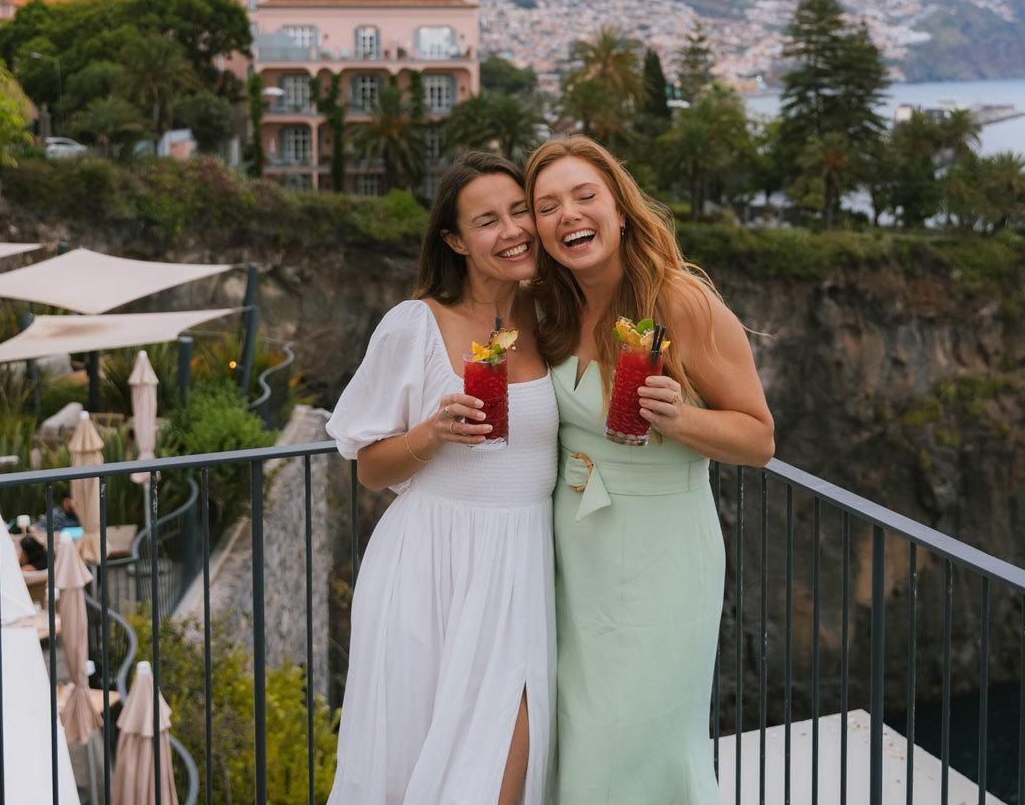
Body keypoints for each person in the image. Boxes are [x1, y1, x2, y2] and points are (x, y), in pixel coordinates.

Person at [525, 136, 775, 804]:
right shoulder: (550, 309)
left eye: (584, 196)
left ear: (620, 208)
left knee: (633, 740)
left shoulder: (680, 303)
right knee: (579, 730)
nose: (568, 215)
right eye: (547, 206)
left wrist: (679, 418)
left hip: (662, 552)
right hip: (575, 550)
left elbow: (758, 439)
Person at [326, 152, 557, 805]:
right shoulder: (414, 325)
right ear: (455, 240)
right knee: (416, 760)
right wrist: (431, 434)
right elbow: (369, 468)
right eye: (488, 220)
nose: (512, 230)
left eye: (520, 211)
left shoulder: (548, 319)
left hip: (521, 565)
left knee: (505, 761)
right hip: (430, 568)